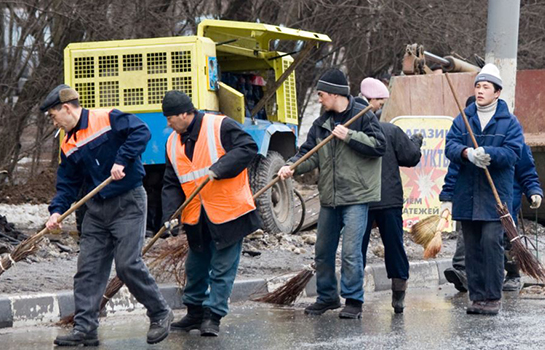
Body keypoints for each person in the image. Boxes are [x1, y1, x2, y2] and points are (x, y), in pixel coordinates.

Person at [42, 84, 173, 346]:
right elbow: (67, 182)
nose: (54, 121)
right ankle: (85, 329)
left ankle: (160, 313)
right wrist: (57, 211)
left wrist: (122, 160)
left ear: (66, 108)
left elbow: (141, 132)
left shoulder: (108, 118)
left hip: (128, 203)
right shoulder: (68, 144)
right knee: (88, 270)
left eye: (54, 116)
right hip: (96, 210)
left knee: (127, 264)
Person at [278, 69, 386, 319]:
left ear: (336, 94)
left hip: (356, 197)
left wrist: (350, 136)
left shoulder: (363, 116)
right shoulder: (321, 123)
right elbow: (310, 153)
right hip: (329, 196)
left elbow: (379, 146)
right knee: (323, 251)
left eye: (321, 94)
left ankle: (354, 300)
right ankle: (327, 297)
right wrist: (292, 166)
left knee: (350, 251)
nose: (318, 98)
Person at [160, 90, 261, 337]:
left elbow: (248, 147)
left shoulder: (220, 125)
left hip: (229, 211)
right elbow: (171, 182)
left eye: (170, 117)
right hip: (196, 215)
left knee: (222, 267)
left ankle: (213, 317)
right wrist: (171, 215)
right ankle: (194, 313)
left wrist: (221, 168)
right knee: (195, 267)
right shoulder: (172, 142)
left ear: (185, 113)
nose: (168, 123)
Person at [442, 63, 524, 315]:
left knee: (491, 242)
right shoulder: (464, 118)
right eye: (478, 86)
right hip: (467, 194)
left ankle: (492, 296)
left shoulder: (509, 122)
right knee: (472, 246)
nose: (480, 91)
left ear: (497, 92)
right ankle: (476, 298)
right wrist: (466, 153)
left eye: (485, 87)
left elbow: (513, 153)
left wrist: (488, 153)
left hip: (495, 196)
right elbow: (450, 146)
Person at [357, 77, 423, 314]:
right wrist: (416, 142)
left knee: (356, 248)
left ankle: (354, 297)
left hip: (359, 199)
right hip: (388, 199)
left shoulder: (348, 132)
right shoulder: (390, 130)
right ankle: (398, 296)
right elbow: (410, 157)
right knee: (394, 246)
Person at [442, 144, 543, 293]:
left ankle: (513, 273)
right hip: (475, 199)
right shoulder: (471, 145)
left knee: (507, 238)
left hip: (504, 201)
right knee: (468, 234)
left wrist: (533, 191)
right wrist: (447, 196)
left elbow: (527, 172)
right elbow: (455, 170)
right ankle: (463, 271)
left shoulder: (515, 143)